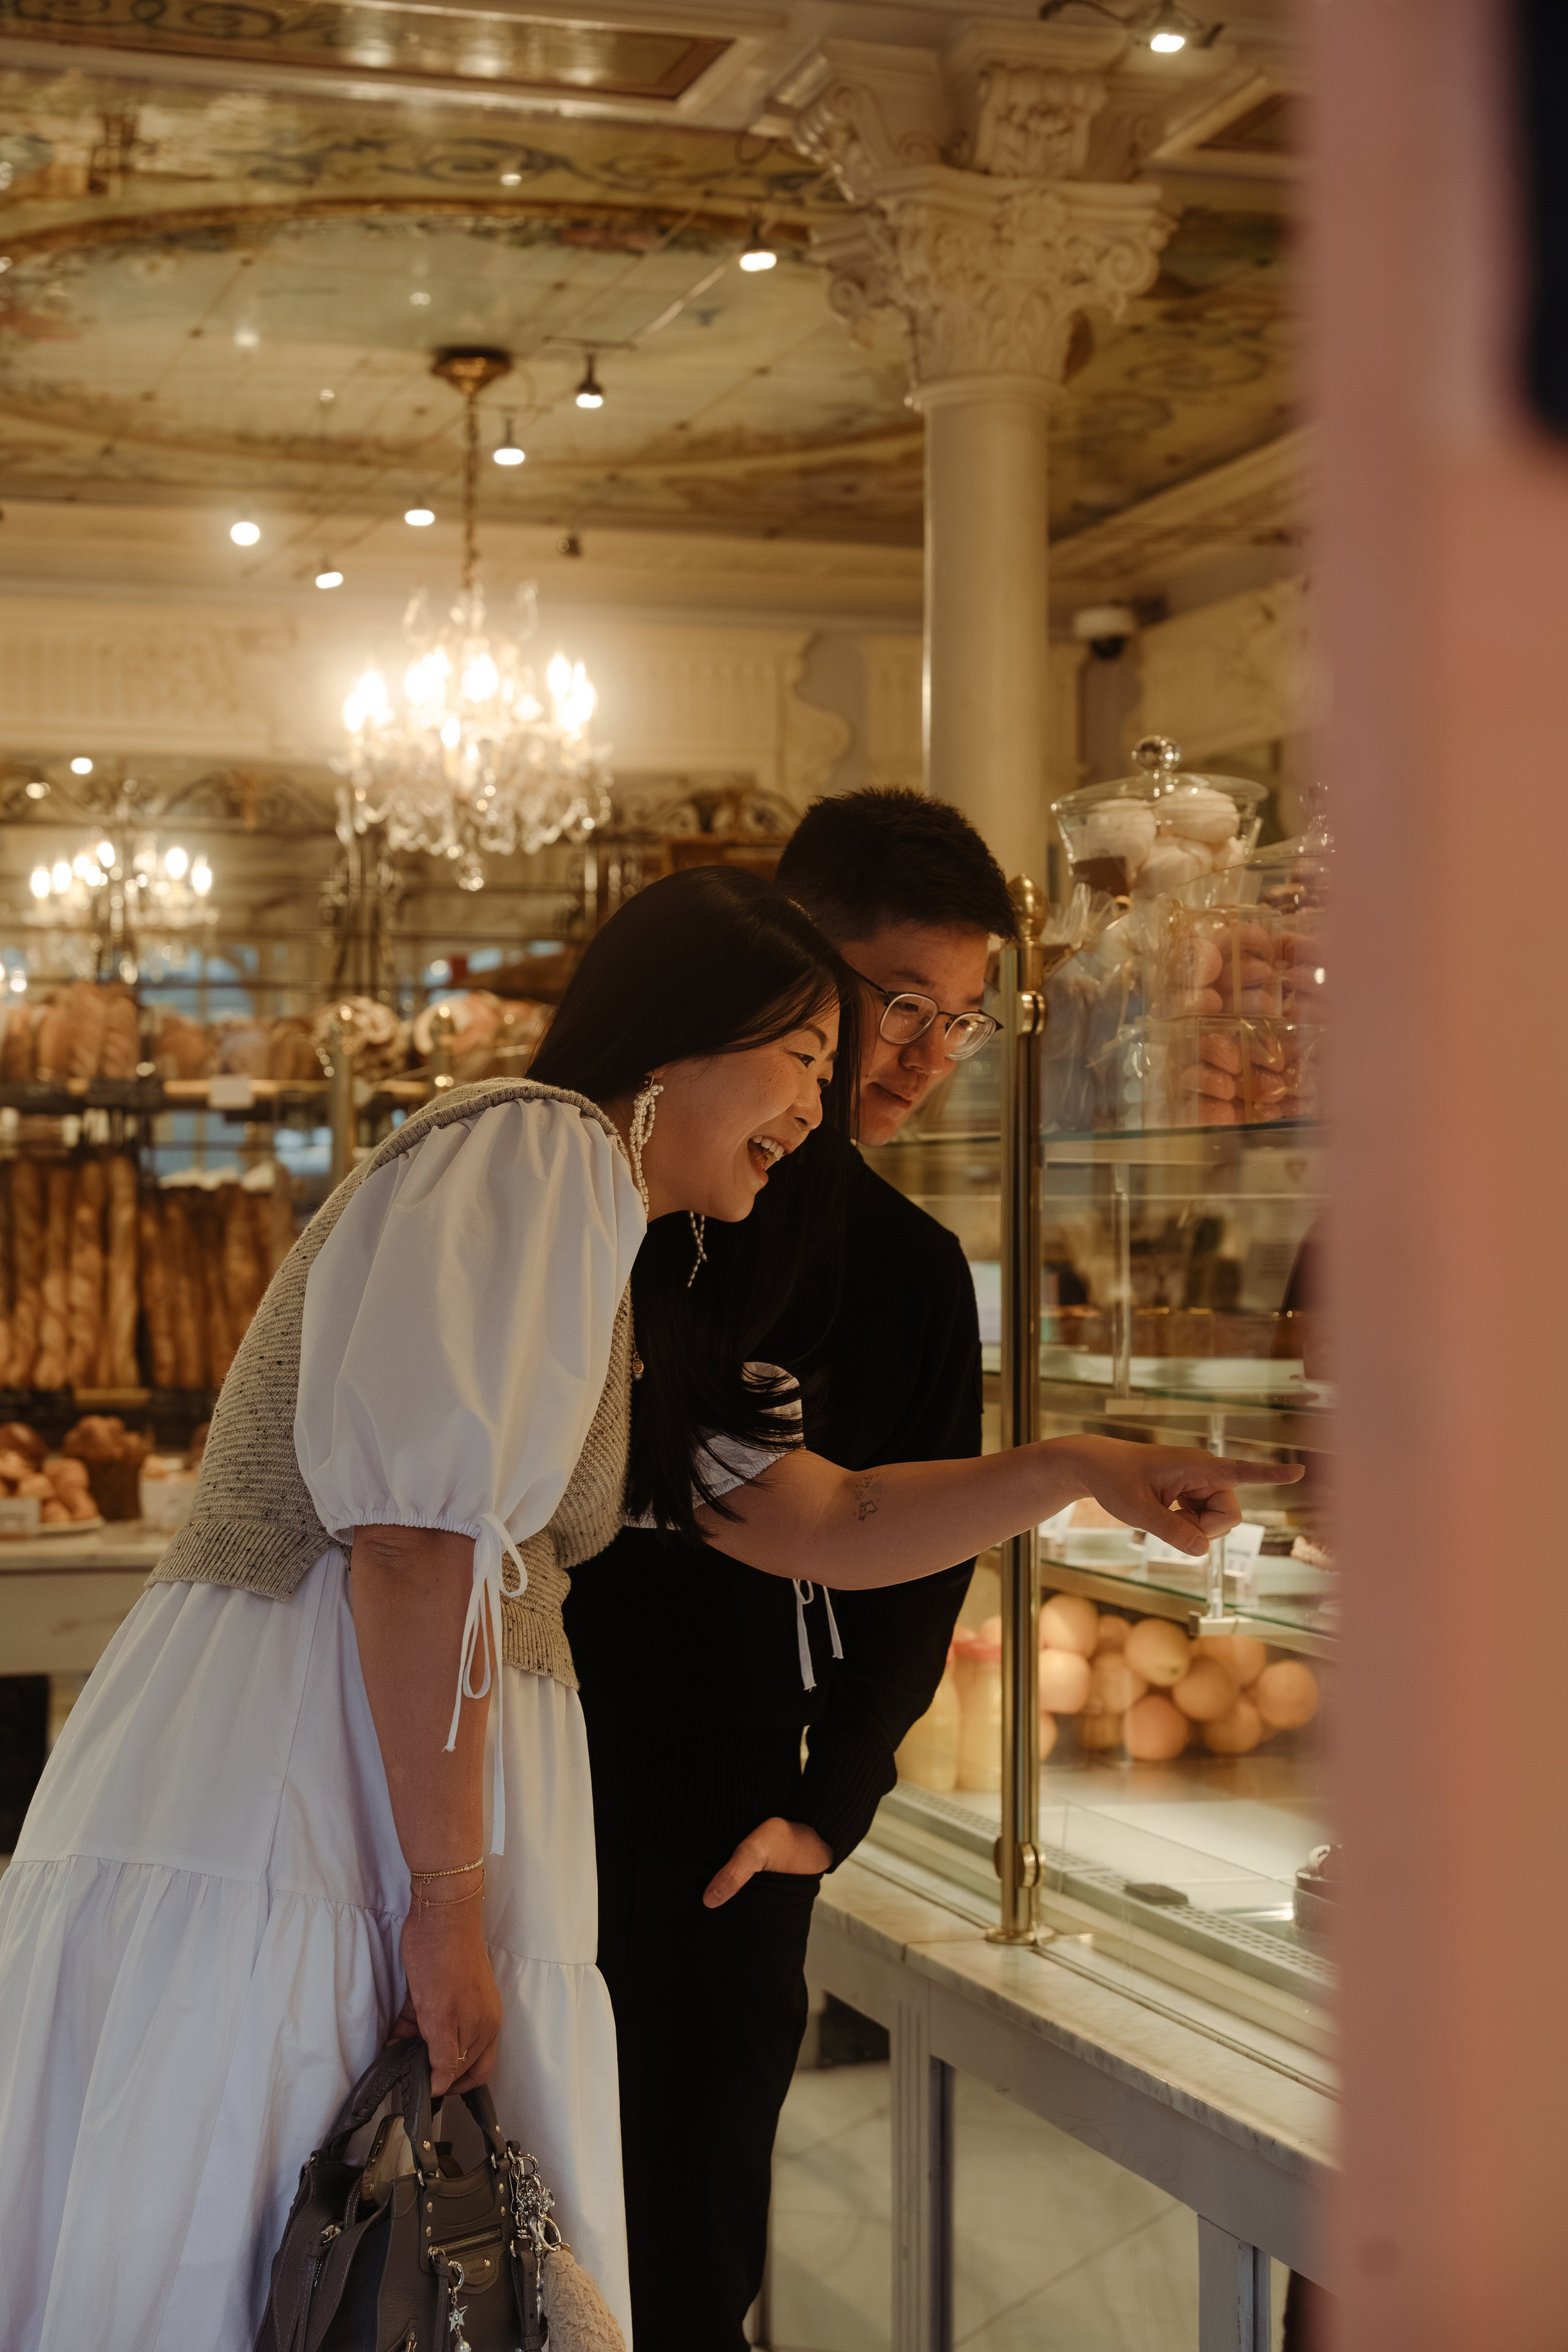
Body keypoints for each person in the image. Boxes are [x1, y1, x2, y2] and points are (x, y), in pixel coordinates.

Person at [0, 866, 1295, 2352]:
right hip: (323, 1781)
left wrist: (1077, 1467)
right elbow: (415, 1548)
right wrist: (445, 1907)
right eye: (806, 1057)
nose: (816, 1108)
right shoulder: (537, 1153)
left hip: (361, 1772)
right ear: (679, 1043)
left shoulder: (597, 1233)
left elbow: (826, 1515)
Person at [561, 793, 1085, 2350]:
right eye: (895, 1004)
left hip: (724, 1804)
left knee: (685, 2237)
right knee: (474, 2200)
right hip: (514, 1760)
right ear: (789, 962)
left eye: (965, 1021)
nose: (925, 1054)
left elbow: (895, 1559)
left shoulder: (913, 1269)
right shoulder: (600, 1188)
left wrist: (827, 1800)